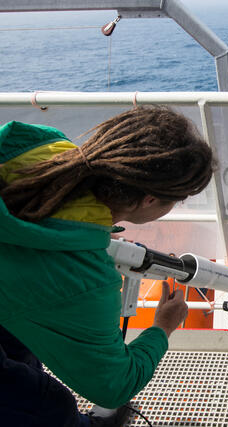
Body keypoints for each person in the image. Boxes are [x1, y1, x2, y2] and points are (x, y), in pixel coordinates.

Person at [0, 106, 216, 426]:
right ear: (148, 200)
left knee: (19, 348)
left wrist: (89, 232)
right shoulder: (86, 282)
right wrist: (162, 327)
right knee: (50, 408)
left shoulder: (37, 142)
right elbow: (114, 386)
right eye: (178, 198)